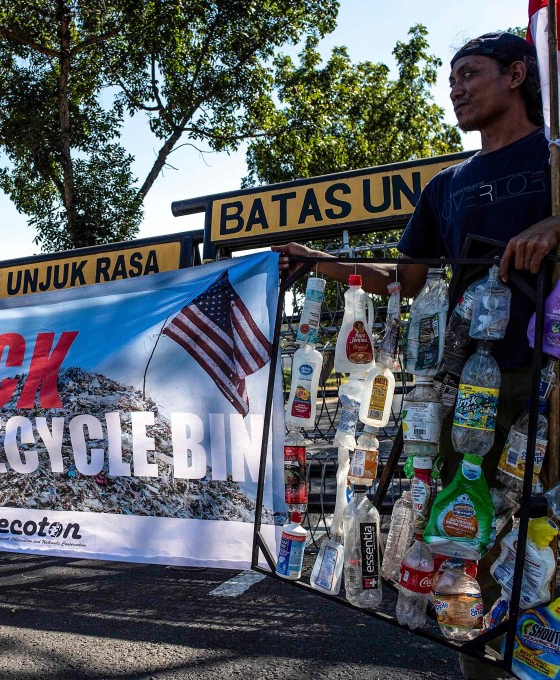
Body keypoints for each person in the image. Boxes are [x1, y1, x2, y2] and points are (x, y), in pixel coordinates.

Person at [274, 32, 557, 680]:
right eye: (450, 77)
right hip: (468, 396)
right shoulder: (445, 187)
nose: (454, 88)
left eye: (469, 73)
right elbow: (405, 280)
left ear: (517, 74)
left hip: (550, 385)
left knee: (548, 544)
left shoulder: (555, 155)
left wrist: (557, 224)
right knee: (474, 545)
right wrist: (324, 262)